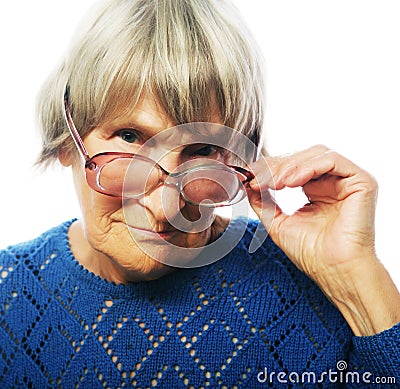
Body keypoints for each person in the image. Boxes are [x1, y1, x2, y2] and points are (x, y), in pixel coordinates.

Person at [0, 0, 399, 387]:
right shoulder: (8, 294)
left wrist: (358, 282)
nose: (166, 207)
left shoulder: (306, 289)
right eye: (129, 137)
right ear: (68, 141)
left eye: (203, 150)